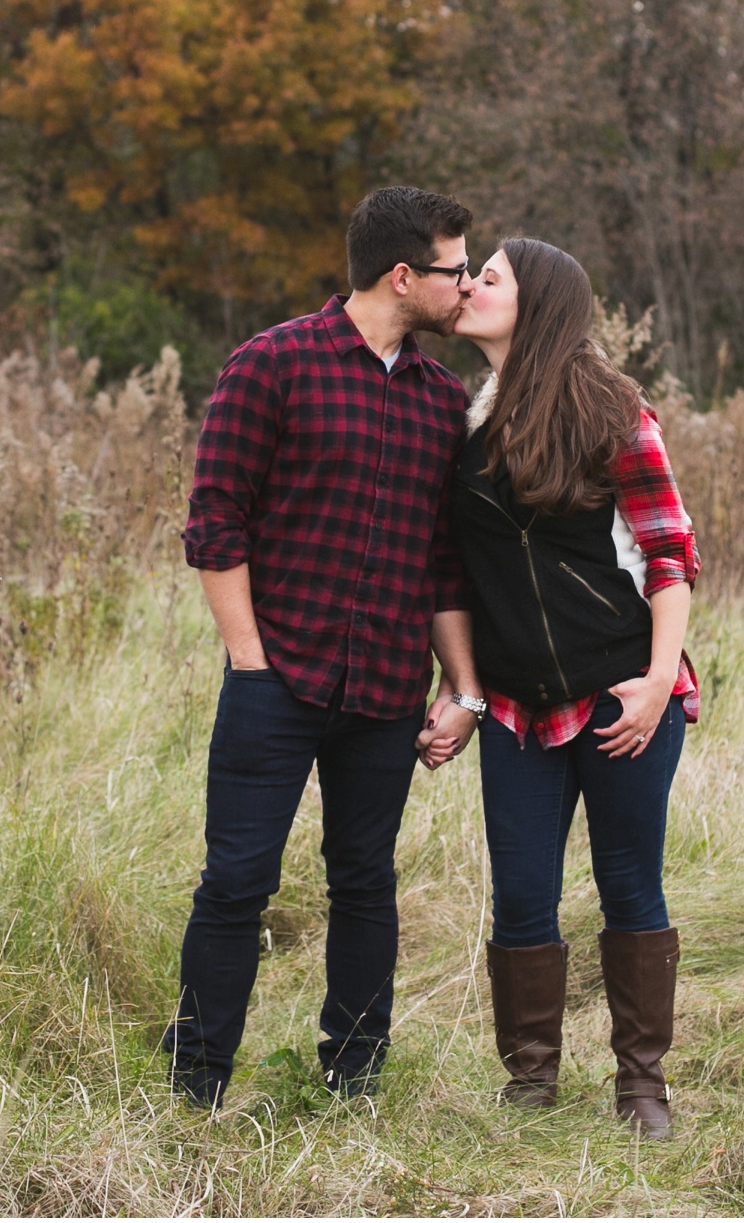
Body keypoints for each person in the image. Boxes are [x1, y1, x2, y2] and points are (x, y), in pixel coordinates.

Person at [164, 186, 481, 1109]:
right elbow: (214, 520)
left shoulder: (439, 400)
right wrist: (250, 659)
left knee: (364, 885)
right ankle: (197, 1082)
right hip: (278, 677)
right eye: (455, 270)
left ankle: (354, 1079)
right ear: (401, 275)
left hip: (385, 690)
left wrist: (461, 689)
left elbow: (443, 562)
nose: (465, 286)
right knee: (235, 883)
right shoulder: (273, 364)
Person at [416, 237, 699, 1139]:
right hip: (514, 706)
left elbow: (669, 556)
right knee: (521, 894)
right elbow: (450, 578)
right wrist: (461, 694)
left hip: (620, 697)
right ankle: (531, 1082)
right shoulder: (462, 424)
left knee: (630, 886)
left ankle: (641, 1087)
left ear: (534, 303)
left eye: (486, 278)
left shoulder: (614, 412)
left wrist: (657, 684)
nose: (466, 288)